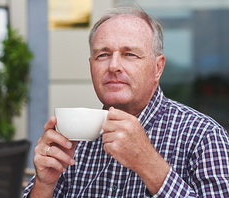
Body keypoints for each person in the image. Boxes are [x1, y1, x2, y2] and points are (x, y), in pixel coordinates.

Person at [23, 5, 229, 197]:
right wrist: (45, 184)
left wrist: (149, 164)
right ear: (91, 66)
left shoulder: (204, 136)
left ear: (158, 68)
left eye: (129, 54)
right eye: (102, 55)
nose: (113, 66)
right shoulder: (74, 140)